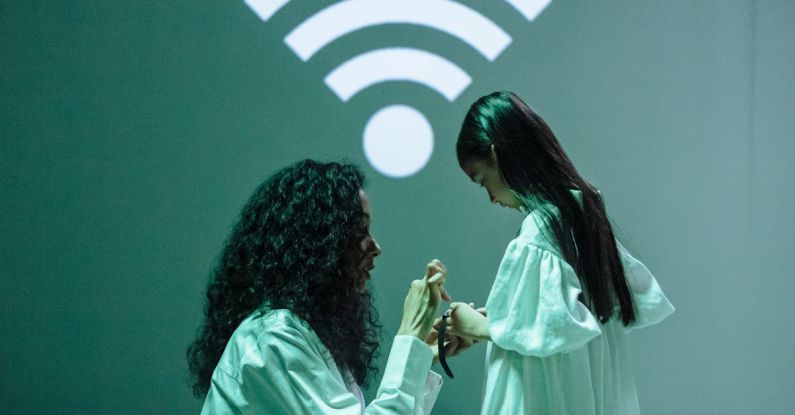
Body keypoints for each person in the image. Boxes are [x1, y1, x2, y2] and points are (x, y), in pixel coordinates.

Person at [441, 91, 675, 414]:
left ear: (497, 156)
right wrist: (504, 320)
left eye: (483, 181)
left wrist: (477, 326)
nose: (491, 197)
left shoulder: (540, 230)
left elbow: (553, 331)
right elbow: (554, 329)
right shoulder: (583, 215)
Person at [187, 160, 470, 414]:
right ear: (315, 242)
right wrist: (410, 335)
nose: (375, 247)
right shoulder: (274, 337)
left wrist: (419, 358)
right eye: (359, 231)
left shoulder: (304, 336)